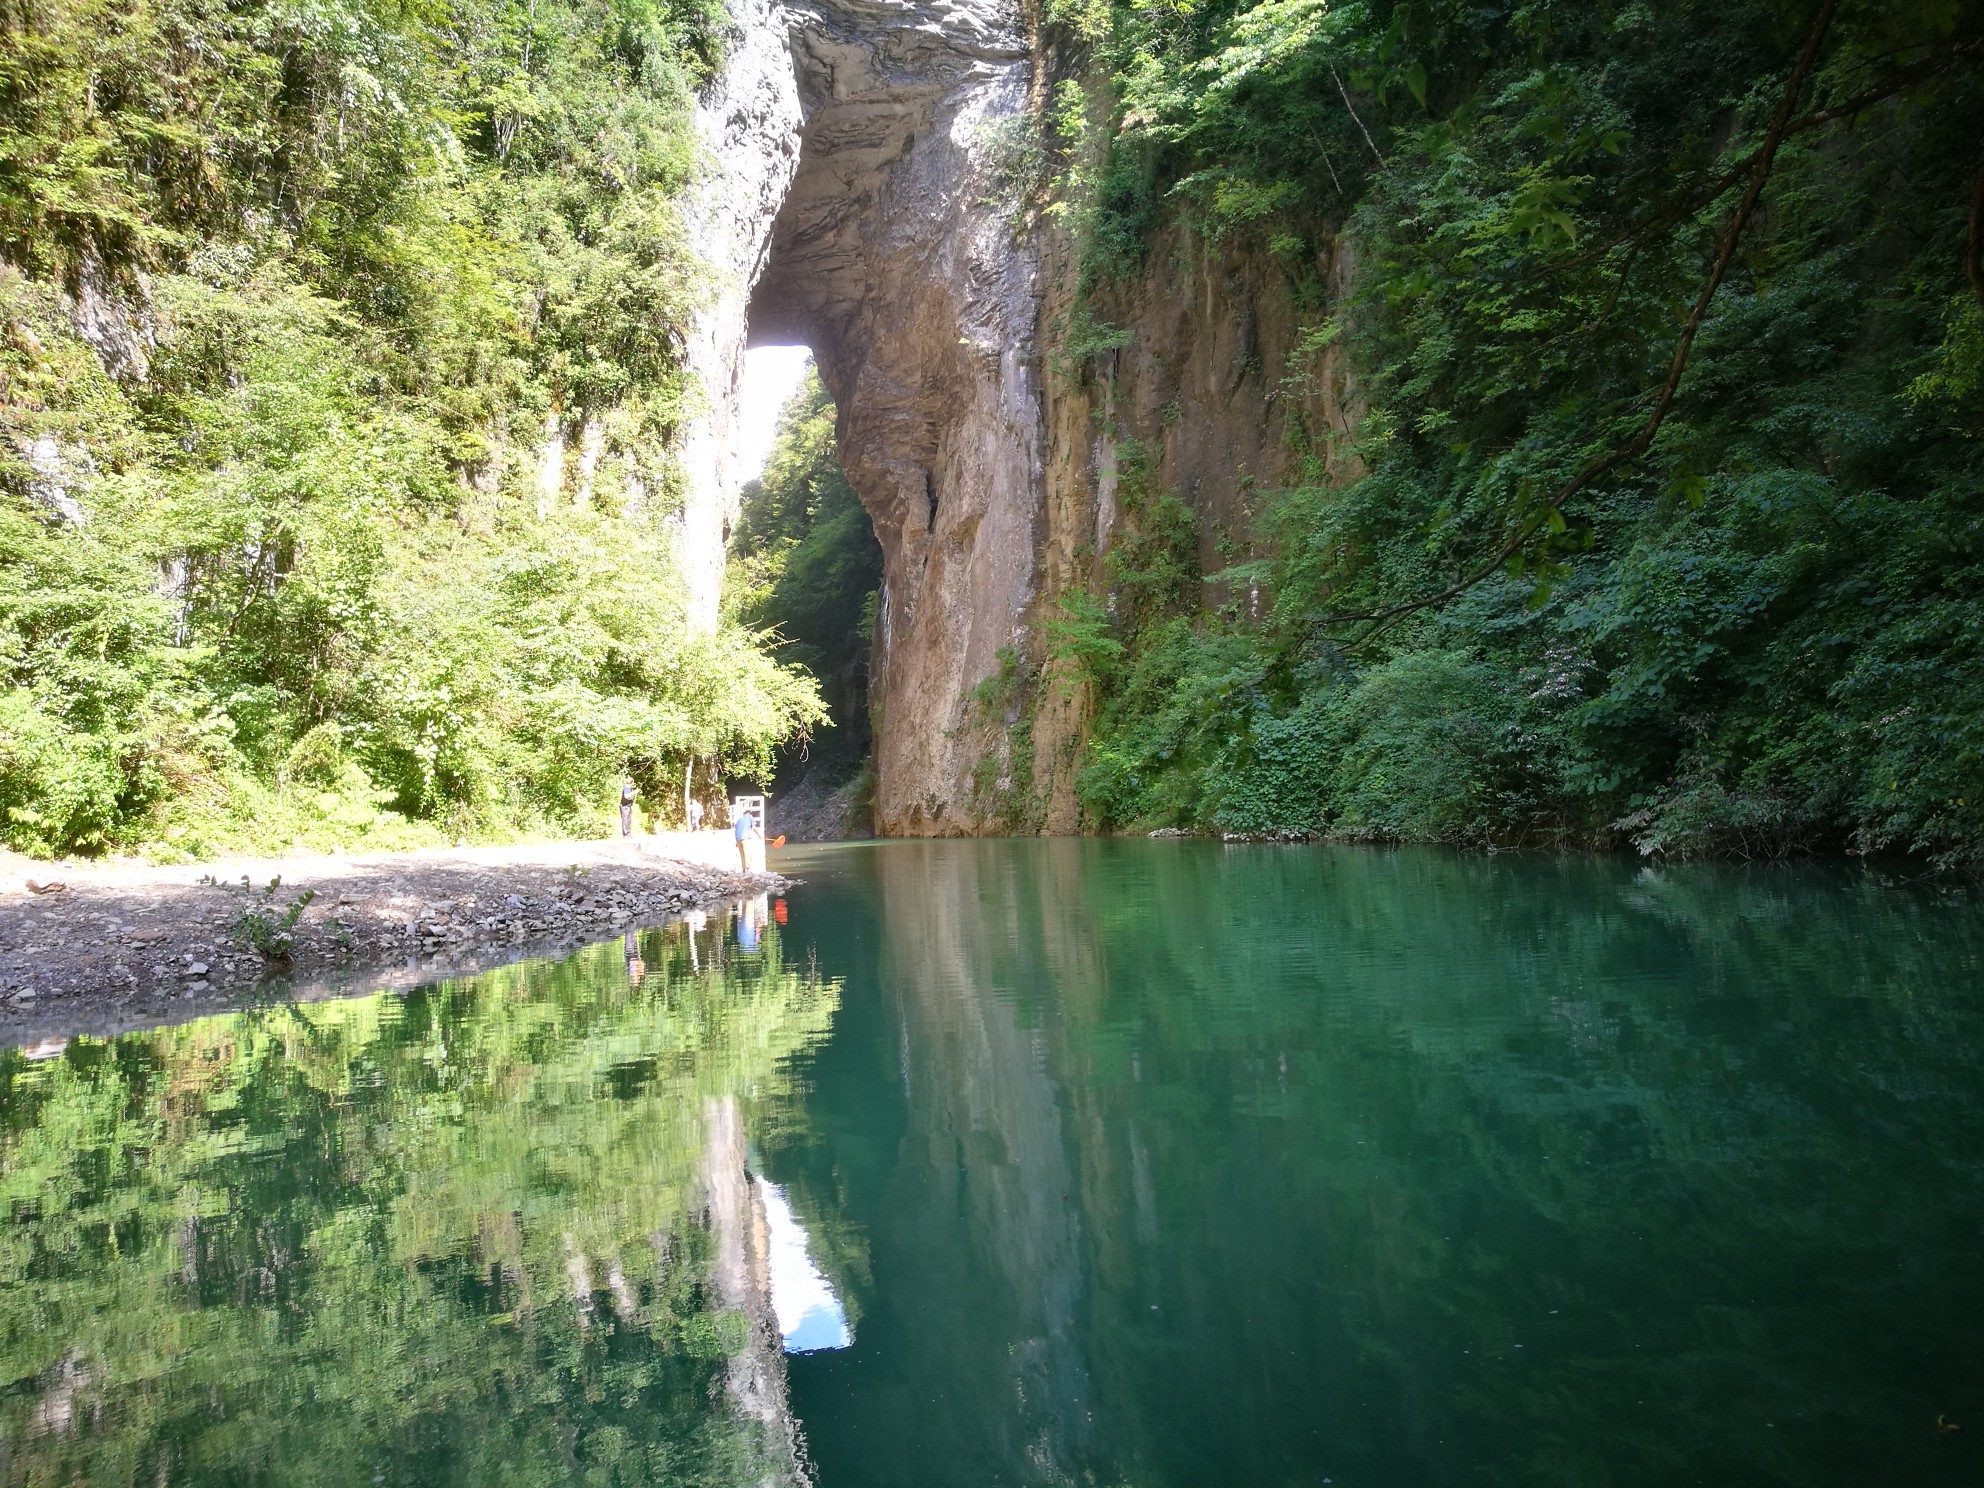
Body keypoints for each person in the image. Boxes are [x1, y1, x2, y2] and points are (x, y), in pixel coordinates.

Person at [733, 803, 760, 870]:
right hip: (745, 838)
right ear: (750, 813)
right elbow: (754, 827)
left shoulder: (739, 819)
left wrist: (736, 841)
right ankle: (747, 869)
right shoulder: (750, 817)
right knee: (747, 854)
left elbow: (736, 830)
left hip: (738, 838)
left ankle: (743, 869)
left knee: (742, 854)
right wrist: (760, 835)